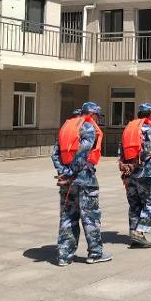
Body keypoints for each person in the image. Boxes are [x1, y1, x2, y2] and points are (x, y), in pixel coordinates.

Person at [51, 101, 111, 266]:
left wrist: (63, 172)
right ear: (92, 114)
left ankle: (64, 256)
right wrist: (71, 173)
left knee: (67, 217)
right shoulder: (88, 128)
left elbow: (54, 154)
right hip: (84, 180)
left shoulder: (66, 127)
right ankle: (95, 253)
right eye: (97, 115)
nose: (97, 119)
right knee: (90, 217)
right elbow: (82, 155)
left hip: (66, 182)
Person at [118, 102, 151, 248]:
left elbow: (121, 150)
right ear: (150, 115)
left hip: (130, 173)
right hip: (146, 172)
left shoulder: (128, 128)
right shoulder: (148, 128)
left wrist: (127, 166)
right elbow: (148, 149)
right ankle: (140, 231)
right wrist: (137, 163)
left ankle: (134, 234)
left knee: (135, 204)